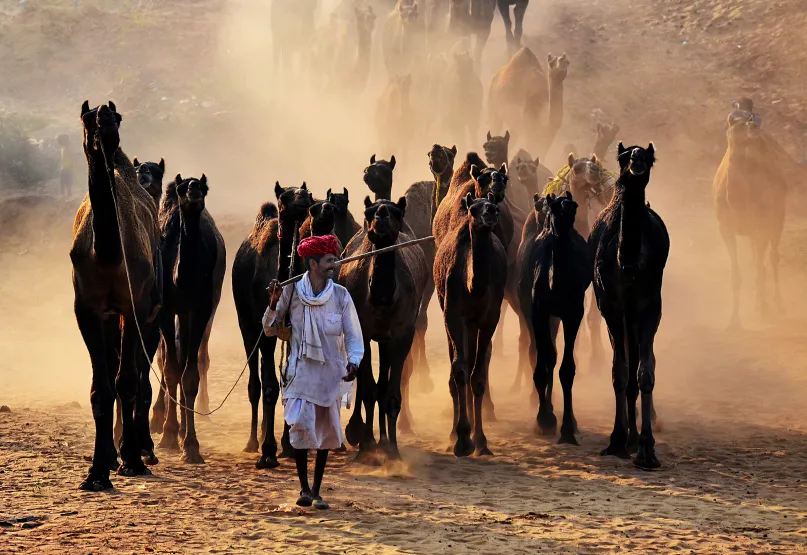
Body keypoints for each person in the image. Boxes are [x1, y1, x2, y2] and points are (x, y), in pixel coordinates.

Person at [263, 234, 364, 510]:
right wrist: (273, 303)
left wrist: (353, 362)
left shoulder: (341, 296)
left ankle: (317, 490)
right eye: (329, 260)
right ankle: (304, 488)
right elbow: (270, 329)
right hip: (300, 372)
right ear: (313, 263)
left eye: (334, 258)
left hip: (330, 373)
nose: (334, 264)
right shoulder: (291, 292)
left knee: (324, 433)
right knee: (300, 427)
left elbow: (353, 335)